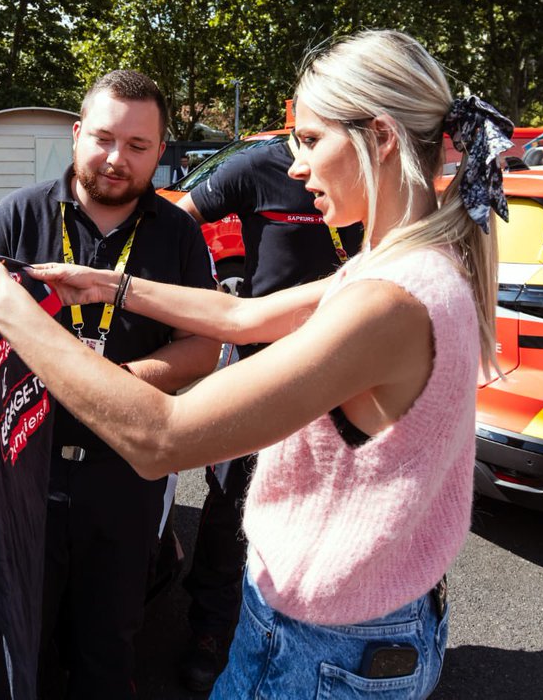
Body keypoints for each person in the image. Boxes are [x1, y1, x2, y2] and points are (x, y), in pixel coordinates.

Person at [0, 30, 513, 699]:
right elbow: (243, 318)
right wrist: (106, 284)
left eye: (313, 140)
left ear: (380, 137)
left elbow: (162, 437)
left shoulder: (391, 299)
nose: (295, 168)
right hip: (317, 622)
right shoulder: (401, 265)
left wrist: (4, 305)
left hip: (329, 648)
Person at [0, 69, 219, 698]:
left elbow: (204, 344)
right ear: (78, 133)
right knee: (15, 649)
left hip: (124, 477)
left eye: (139, 147)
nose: (117, 159)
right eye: (105, 138)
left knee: (107, 651)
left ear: (160, 153)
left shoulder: (178, 233)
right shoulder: (18, 215)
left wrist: (110, 385)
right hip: (25, 470)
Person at [174, 135, 363, 691]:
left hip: (344, 362)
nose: (304, 163)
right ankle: (211, 625)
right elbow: (178, 218)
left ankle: (303, 624)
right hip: (262, 363)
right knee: (233, 494)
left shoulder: (368, 176)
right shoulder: (259, 164)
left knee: (326, 501)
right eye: (302, 134)